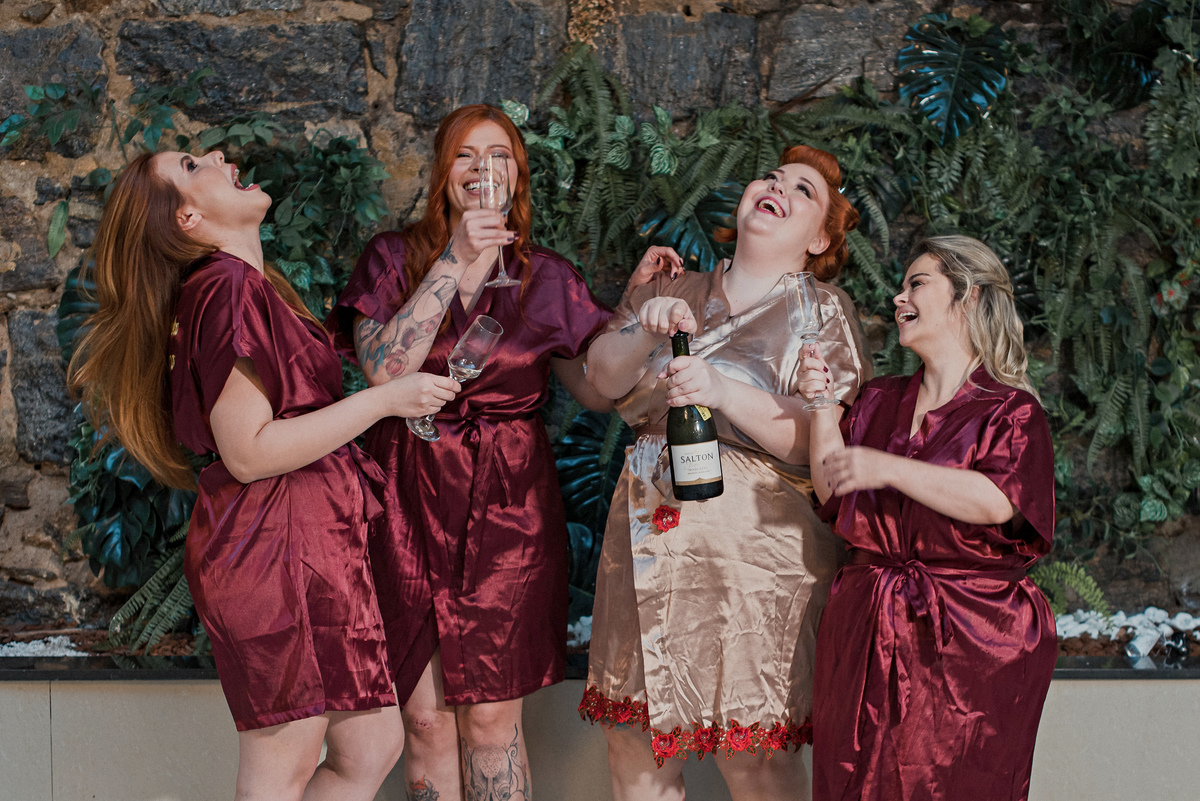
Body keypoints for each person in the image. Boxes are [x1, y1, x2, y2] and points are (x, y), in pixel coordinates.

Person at [66, 150, 461, 801]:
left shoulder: (249, 285)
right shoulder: (224, 288)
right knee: (286, 757)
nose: (217, 156)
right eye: (192, 163)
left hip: (314, 539)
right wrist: (385, 400)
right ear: (187, 217)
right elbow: (246, 450)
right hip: (272, 546)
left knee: (372, 743)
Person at [330, 103, 661, 801]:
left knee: (488, 719)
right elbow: (385, 371)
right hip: (407, 497)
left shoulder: (547, 277)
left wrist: (634, 311)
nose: (484, 168)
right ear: (442, 173)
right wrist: (455, 258)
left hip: (509, 504)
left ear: (519, 175)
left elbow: (596, 389)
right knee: (424, 721)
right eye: (466, 155)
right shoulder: (393, 258)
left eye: (500, 155)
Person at [581, 144, 871, 801]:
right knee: (635, 747)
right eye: (771, 176)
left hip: (759, 554)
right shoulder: (672, 288)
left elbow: (820, 441)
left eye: (803, 190)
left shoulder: (822, 310)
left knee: (757, 756)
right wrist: (644, 327)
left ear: (820, 238)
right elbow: (601, 378)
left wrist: (722, 390)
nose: (778, 187)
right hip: (648, 535)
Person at [801, 235, 1057, 801]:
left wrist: (888, 467)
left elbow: (998, 501)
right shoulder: (877, 399)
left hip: (972, 636)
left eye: (917, 283)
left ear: (969, 296)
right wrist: (820, 407)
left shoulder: (1011, 410)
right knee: (854, 782)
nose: (899, 297)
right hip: (866, 623)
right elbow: (834, 489)